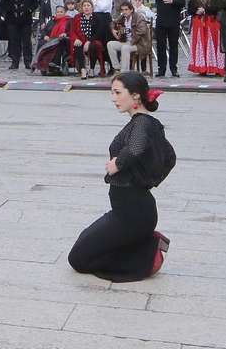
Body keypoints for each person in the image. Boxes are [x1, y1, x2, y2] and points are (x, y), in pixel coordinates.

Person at [68, 72, 175, 282]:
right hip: (126, 211)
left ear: (135, 96)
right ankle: (140, 243)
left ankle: (147, 250)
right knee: (83, 241)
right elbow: (169, 157)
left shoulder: (143, 123)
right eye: (112, 93)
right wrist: (149, 178)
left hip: (132, 216)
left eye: (118, 93)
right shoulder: (144, 123)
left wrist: (117, 164)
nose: (113, 98)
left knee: (78, 260)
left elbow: (136, 149)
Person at [147, 0, 186, 78]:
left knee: (173, 46)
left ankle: (174, 68)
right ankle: (161, 69)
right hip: (161, 22)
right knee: (161, 46)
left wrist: (172, 1)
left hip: (173, 21)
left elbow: (182, 3)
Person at [2, 0, 39, 71]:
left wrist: (29, 10)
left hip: (25, 19)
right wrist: (10, 10)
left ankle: (28, 62)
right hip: (12, 19)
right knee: (14, 41)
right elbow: (4, 2)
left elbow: (35, 2)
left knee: (26, 41)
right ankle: (15, 61)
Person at [185, 0, 221, 76]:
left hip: (212, 23)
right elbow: (190, 9)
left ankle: (215, 66)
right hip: (199, 24)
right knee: (201, 43)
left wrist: (205, 11)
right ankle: (202, 67)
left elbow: (217, 8)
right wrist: (197, 11)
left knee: (213, 43)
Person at [69, 0, 110, 78]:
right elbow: (72, 31)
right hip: (81, 39)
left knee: (94, 45)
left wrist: (89, 41)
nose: (86, 7)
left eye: (88, 5)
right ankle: (82, 69)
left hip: (93, 40)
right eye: (84, 6)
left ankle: (92, 69)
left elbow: (99, 32)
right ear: (82, 8)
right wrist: (76, 39)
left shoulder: (97, 18)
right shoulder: (77, 17)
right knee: (77, 45)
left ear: (92, 7)